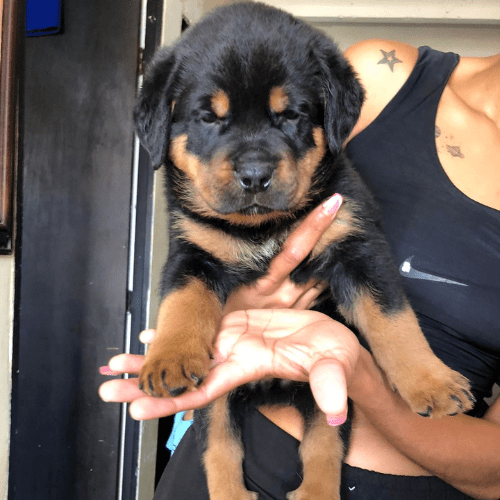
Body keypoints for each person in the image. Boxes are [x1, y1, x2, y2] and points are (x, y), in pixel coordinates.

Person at [99, 39, 500, 499]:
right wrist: (232, 310)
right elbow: (213, 240)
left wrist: (363, 379)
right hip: (236, 458)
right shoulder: (384, 77)